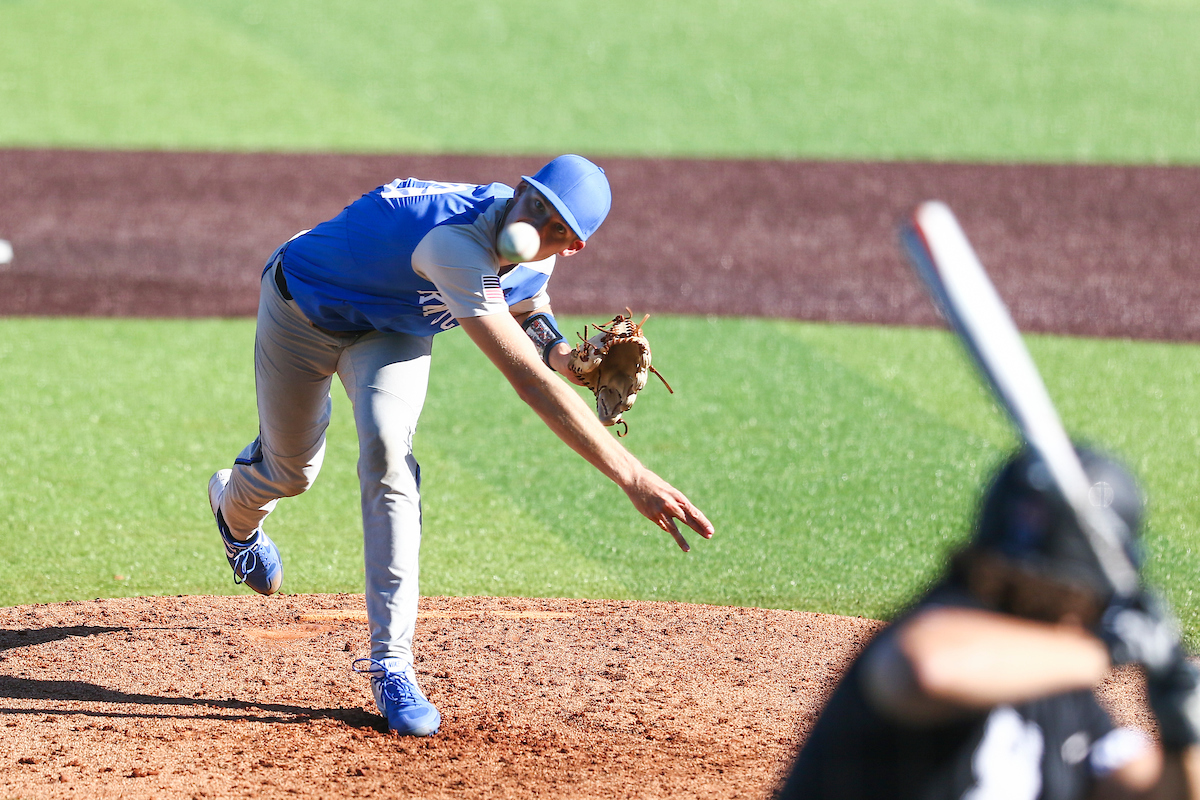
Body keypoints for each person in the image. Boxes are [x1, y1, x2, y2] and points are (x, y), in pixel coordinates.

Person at [206, 154, 714, 737]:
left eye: (555, 227)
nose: (535, 224)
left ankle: (391, 664)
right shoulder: (457, 242)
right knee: (289, 472)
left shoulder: (533, 260)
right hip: (302, 311)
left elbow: (527, 307)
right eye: (535, 204)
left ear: (571, 246)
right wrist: (632, 474)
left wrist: (568, 361)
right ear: (520, 190)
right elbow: (528, 384)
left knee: (388, 455)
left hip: (392, 333)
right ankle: (235, 512)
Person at [777, 447, 1200, 800]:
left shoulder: (1059, 689)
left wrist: (1181, 728)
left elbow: (1153, 791)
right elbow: (925, 670)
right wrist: (1108, 648)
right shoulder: (940, 627)